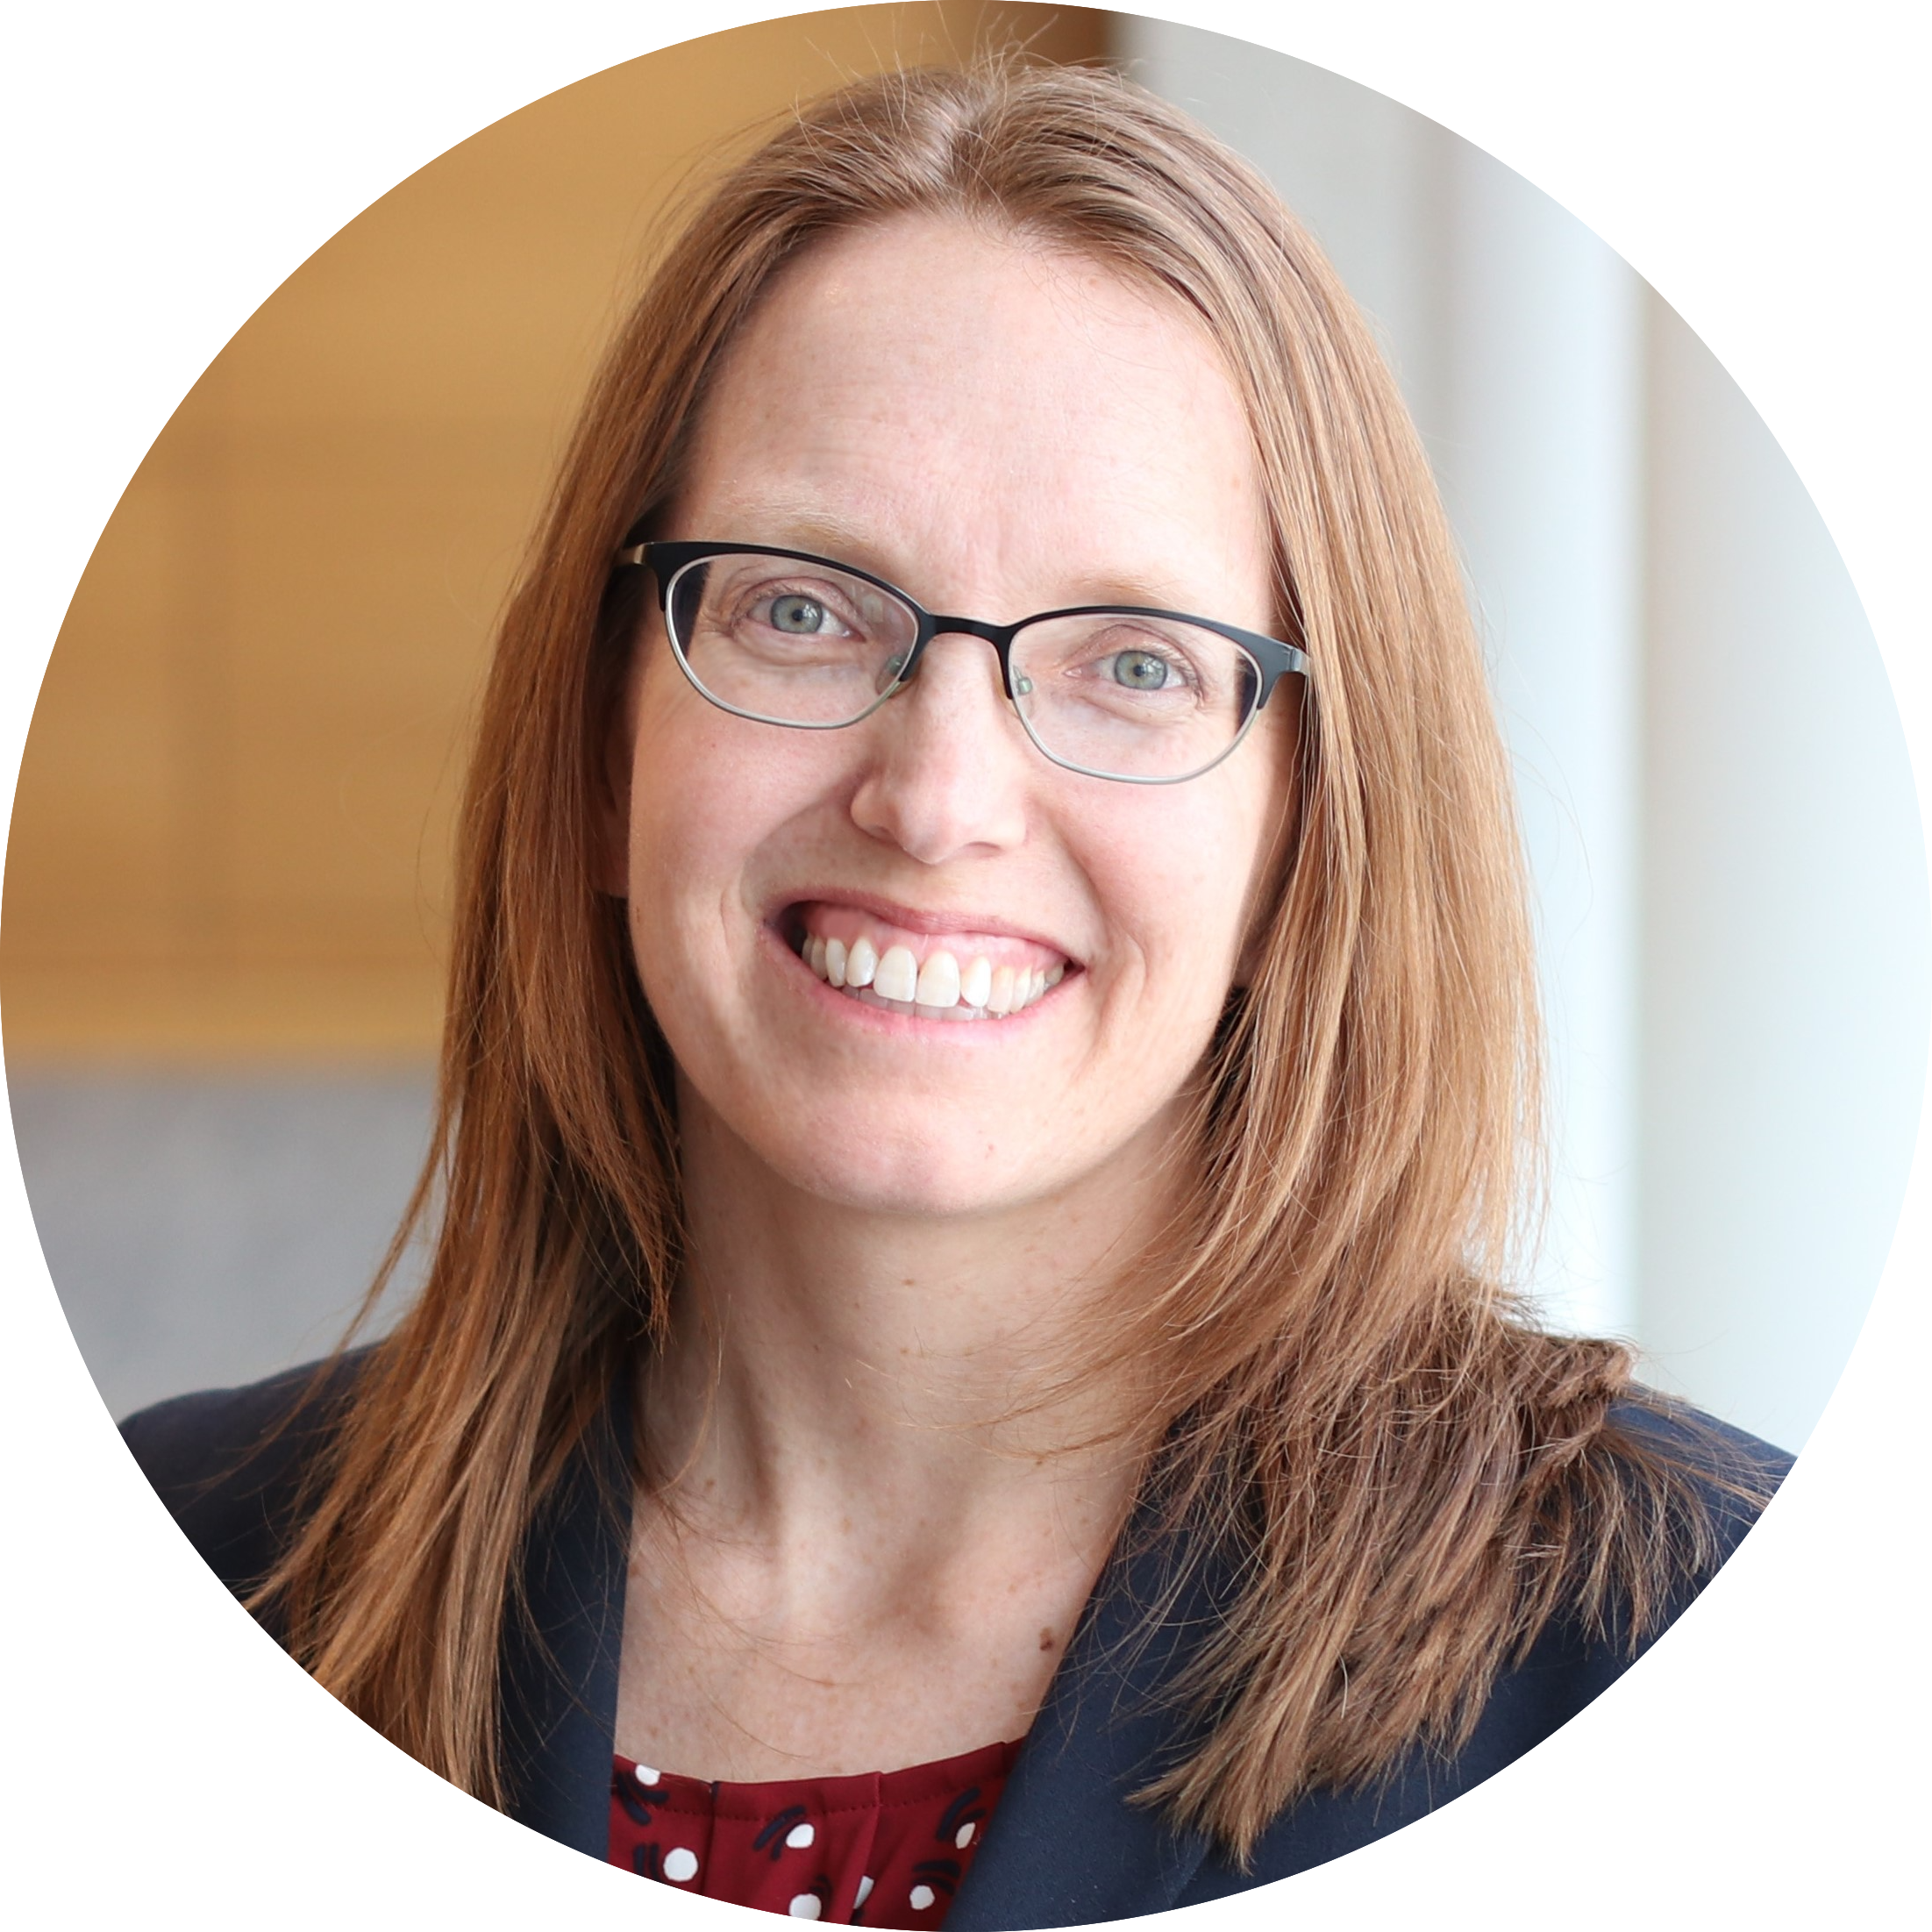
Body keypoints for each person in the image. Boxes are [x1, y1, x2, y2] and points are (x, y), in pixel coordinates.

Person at [122, 58, 1785, 1921]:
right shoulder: (219, 1547)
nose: (937, 798)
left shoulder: (1644, 1621)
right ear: (604, 742)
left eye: (1131, 663)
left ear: (1313, 829)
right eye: (803, 609)